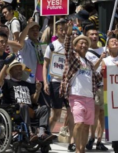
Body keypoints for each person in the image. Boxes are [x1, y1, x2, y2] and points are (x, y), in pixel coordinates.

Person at [60, 21, 102, 153]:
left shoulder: (89, 63)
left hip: (89, 97)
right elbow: (67, 47)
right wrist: (68, 33)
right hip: (76, 97)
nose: (83, 45)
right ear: (76, 46)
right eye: (81, 43)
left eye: (85, 43)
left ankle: (82, 150)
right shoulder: (73, 58)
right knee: (78, 124)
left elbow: (97, 78)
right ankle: (78, 150)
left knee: (86, 126)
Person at [0, 60, 55, 142]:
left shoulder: (26, 84)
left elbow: (34, 100)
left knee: (45, 108)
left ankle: (42, 132)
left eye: (20, 69)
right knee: (23, 105)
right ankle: (30, 132)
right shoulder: (8, 83)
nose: (19, 71)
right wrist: (6, 64)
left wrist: (38, 90)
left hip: (30, 110)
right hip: (16, 111)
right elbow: (0, 80)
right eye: (16, 69)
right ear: (10, 71)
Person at [43, 19, 75, 148]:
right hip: (55, 82)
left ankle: (72, 141)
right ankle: (46, 136)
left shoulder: (72, 45)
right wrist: (46, 82)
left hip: (70, 82)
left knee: (71, 112)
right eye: (60, 30)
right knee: (55, 113)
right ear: (56, 31)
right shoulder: (52, 46)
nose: (63, 32)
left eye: (65, 29)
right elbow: (45, 65)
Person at [84, 25, 109, 151]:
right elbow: (91, 68)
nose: (94, 36)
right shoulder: (85, 52)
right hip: (93, 86)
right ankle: (91, 137)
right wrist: (100, 59)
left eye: (96, 34)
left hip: (105, 85)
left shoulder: (104, 49)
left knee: (103, 114)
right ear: (87, 36)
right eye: (91, 34)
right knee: (95, 113)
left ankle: (99, 140)